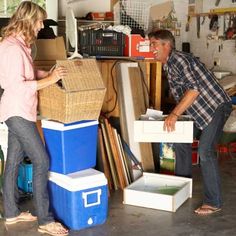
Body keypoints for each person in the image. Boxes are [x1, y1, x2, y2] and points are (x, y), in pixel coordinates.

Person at [0, 2, 68, 235]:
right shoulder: (11, 48)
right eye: (39, 21)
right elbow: (16, 86)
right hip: (17, 112)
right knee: (42, 162)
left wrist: (48, 74)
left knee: (13, 163)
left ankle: (11, 213)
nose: (41, 26)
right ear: (29, 20)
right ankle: (45, 221)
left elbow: (26, 73)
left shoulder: (20, 46)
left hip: (22, 111)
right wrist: (49, 81)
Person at [148, 29, 232, 216]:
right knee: (180, 140)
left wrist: (175, 114)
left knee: (205, 150)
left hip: (215, 106)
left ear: (166, 45)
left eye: (154, 43)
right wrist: (173, 113)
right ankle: (183, 188)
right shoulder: (168, 64)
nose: (151, 47)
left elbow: (193, 90)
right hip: (198, 111)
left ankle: (213, 202)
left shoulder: (178, 59)